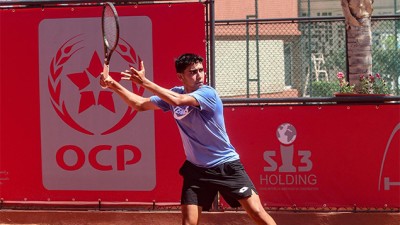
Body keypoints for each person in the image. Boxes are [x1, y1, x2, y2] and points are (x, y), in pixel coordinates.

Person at [100, 53, 277, 225]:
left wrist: (145, 82)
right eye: (192, 72)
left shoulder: (208, 93)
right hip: (196, 170)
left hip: (226, 165)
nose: (199, 75)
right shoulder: (173, 93)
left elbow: (179, 101)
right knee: (189, 222)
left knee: (256, 213)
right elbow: (139, 104)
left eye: (200, 70)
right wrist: (113, 85)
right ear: (180, 76)